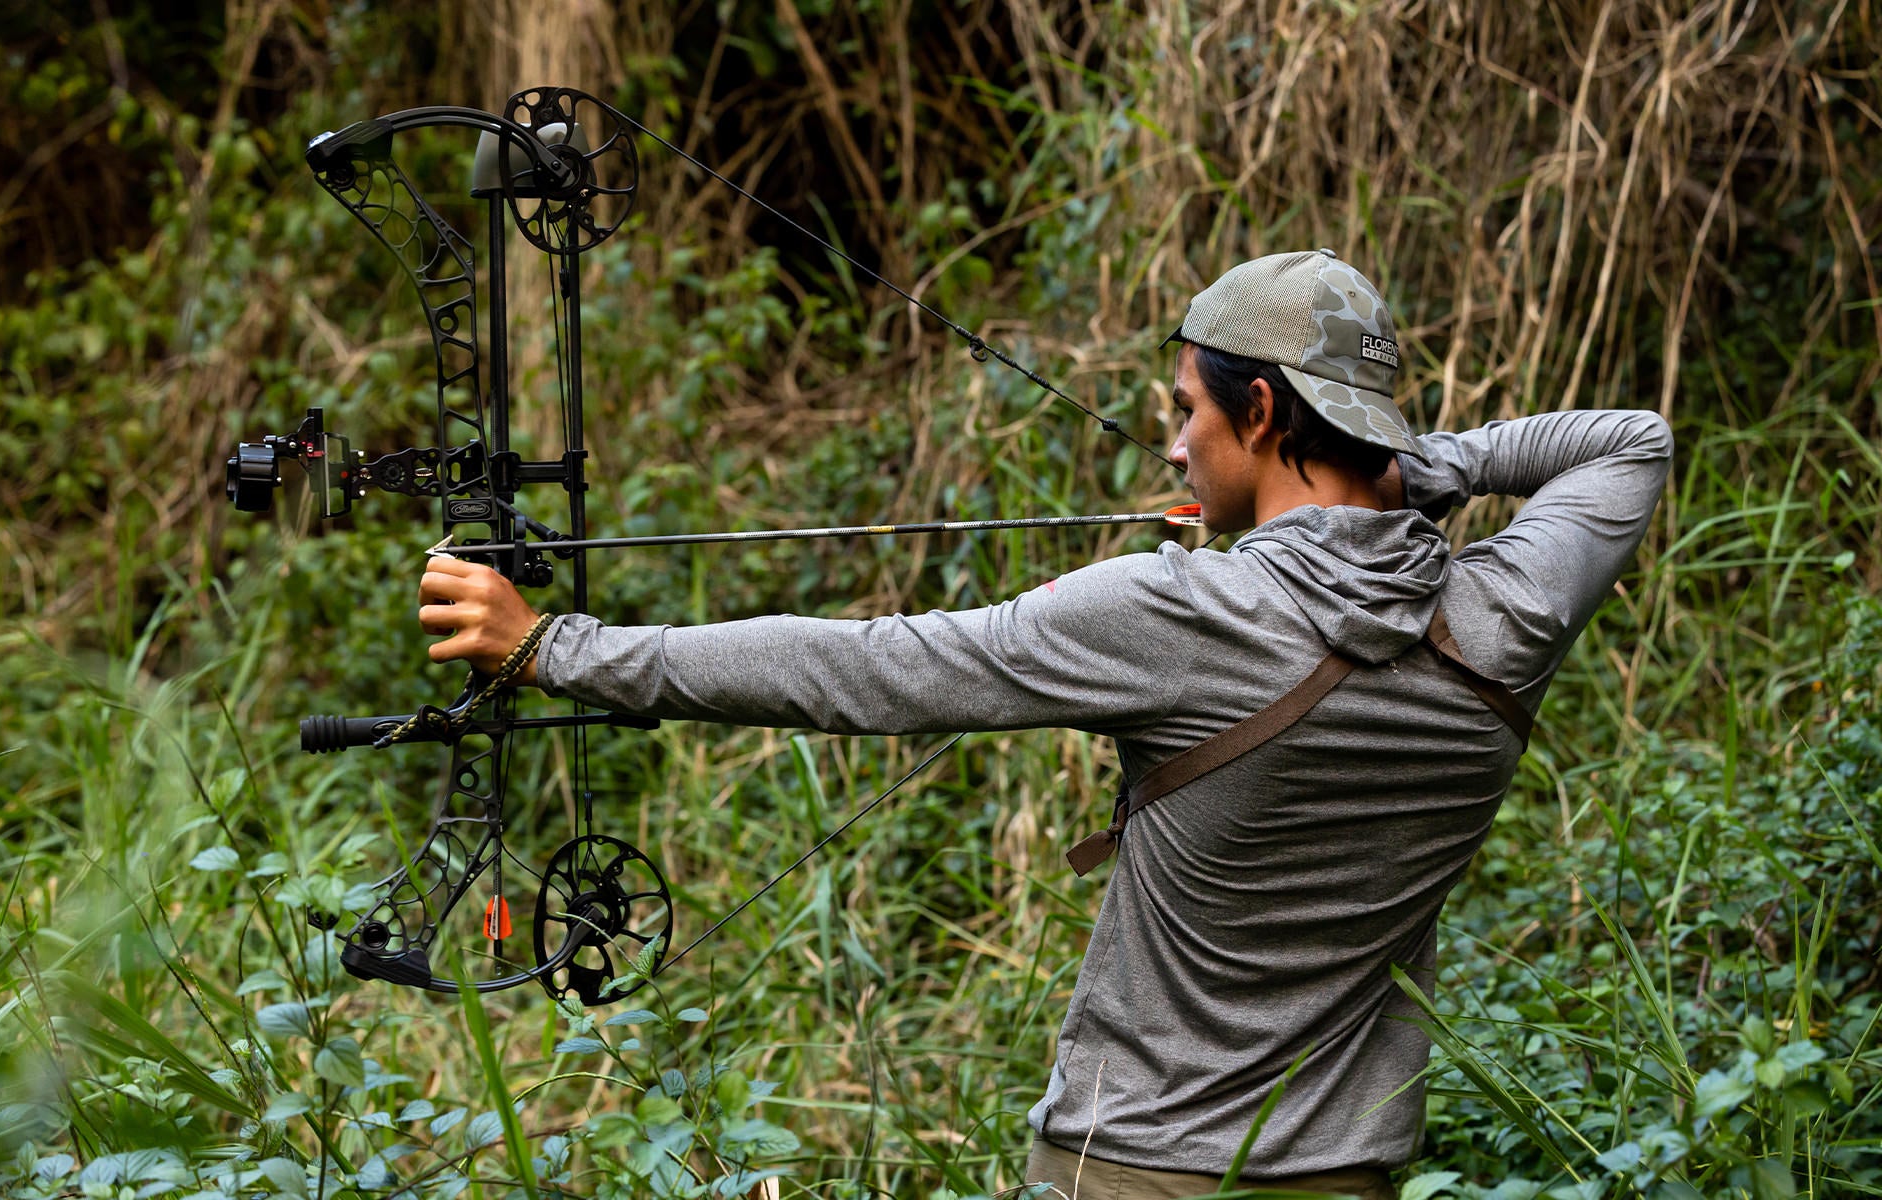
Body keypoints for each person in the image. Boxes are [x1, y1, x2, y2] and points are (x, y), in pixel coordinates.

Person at [417, 249, 1672, 1199]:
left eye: (1188, 406)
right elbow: (1629, 443)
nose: (1173, 441)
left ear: (1262, 415)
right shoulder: (1506, 611)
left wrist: (554, 645)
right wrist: (1402, 469)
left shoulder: (1175, 614)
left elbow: (867, 670)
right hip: (1349, 1170)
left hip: (1131, 1170)